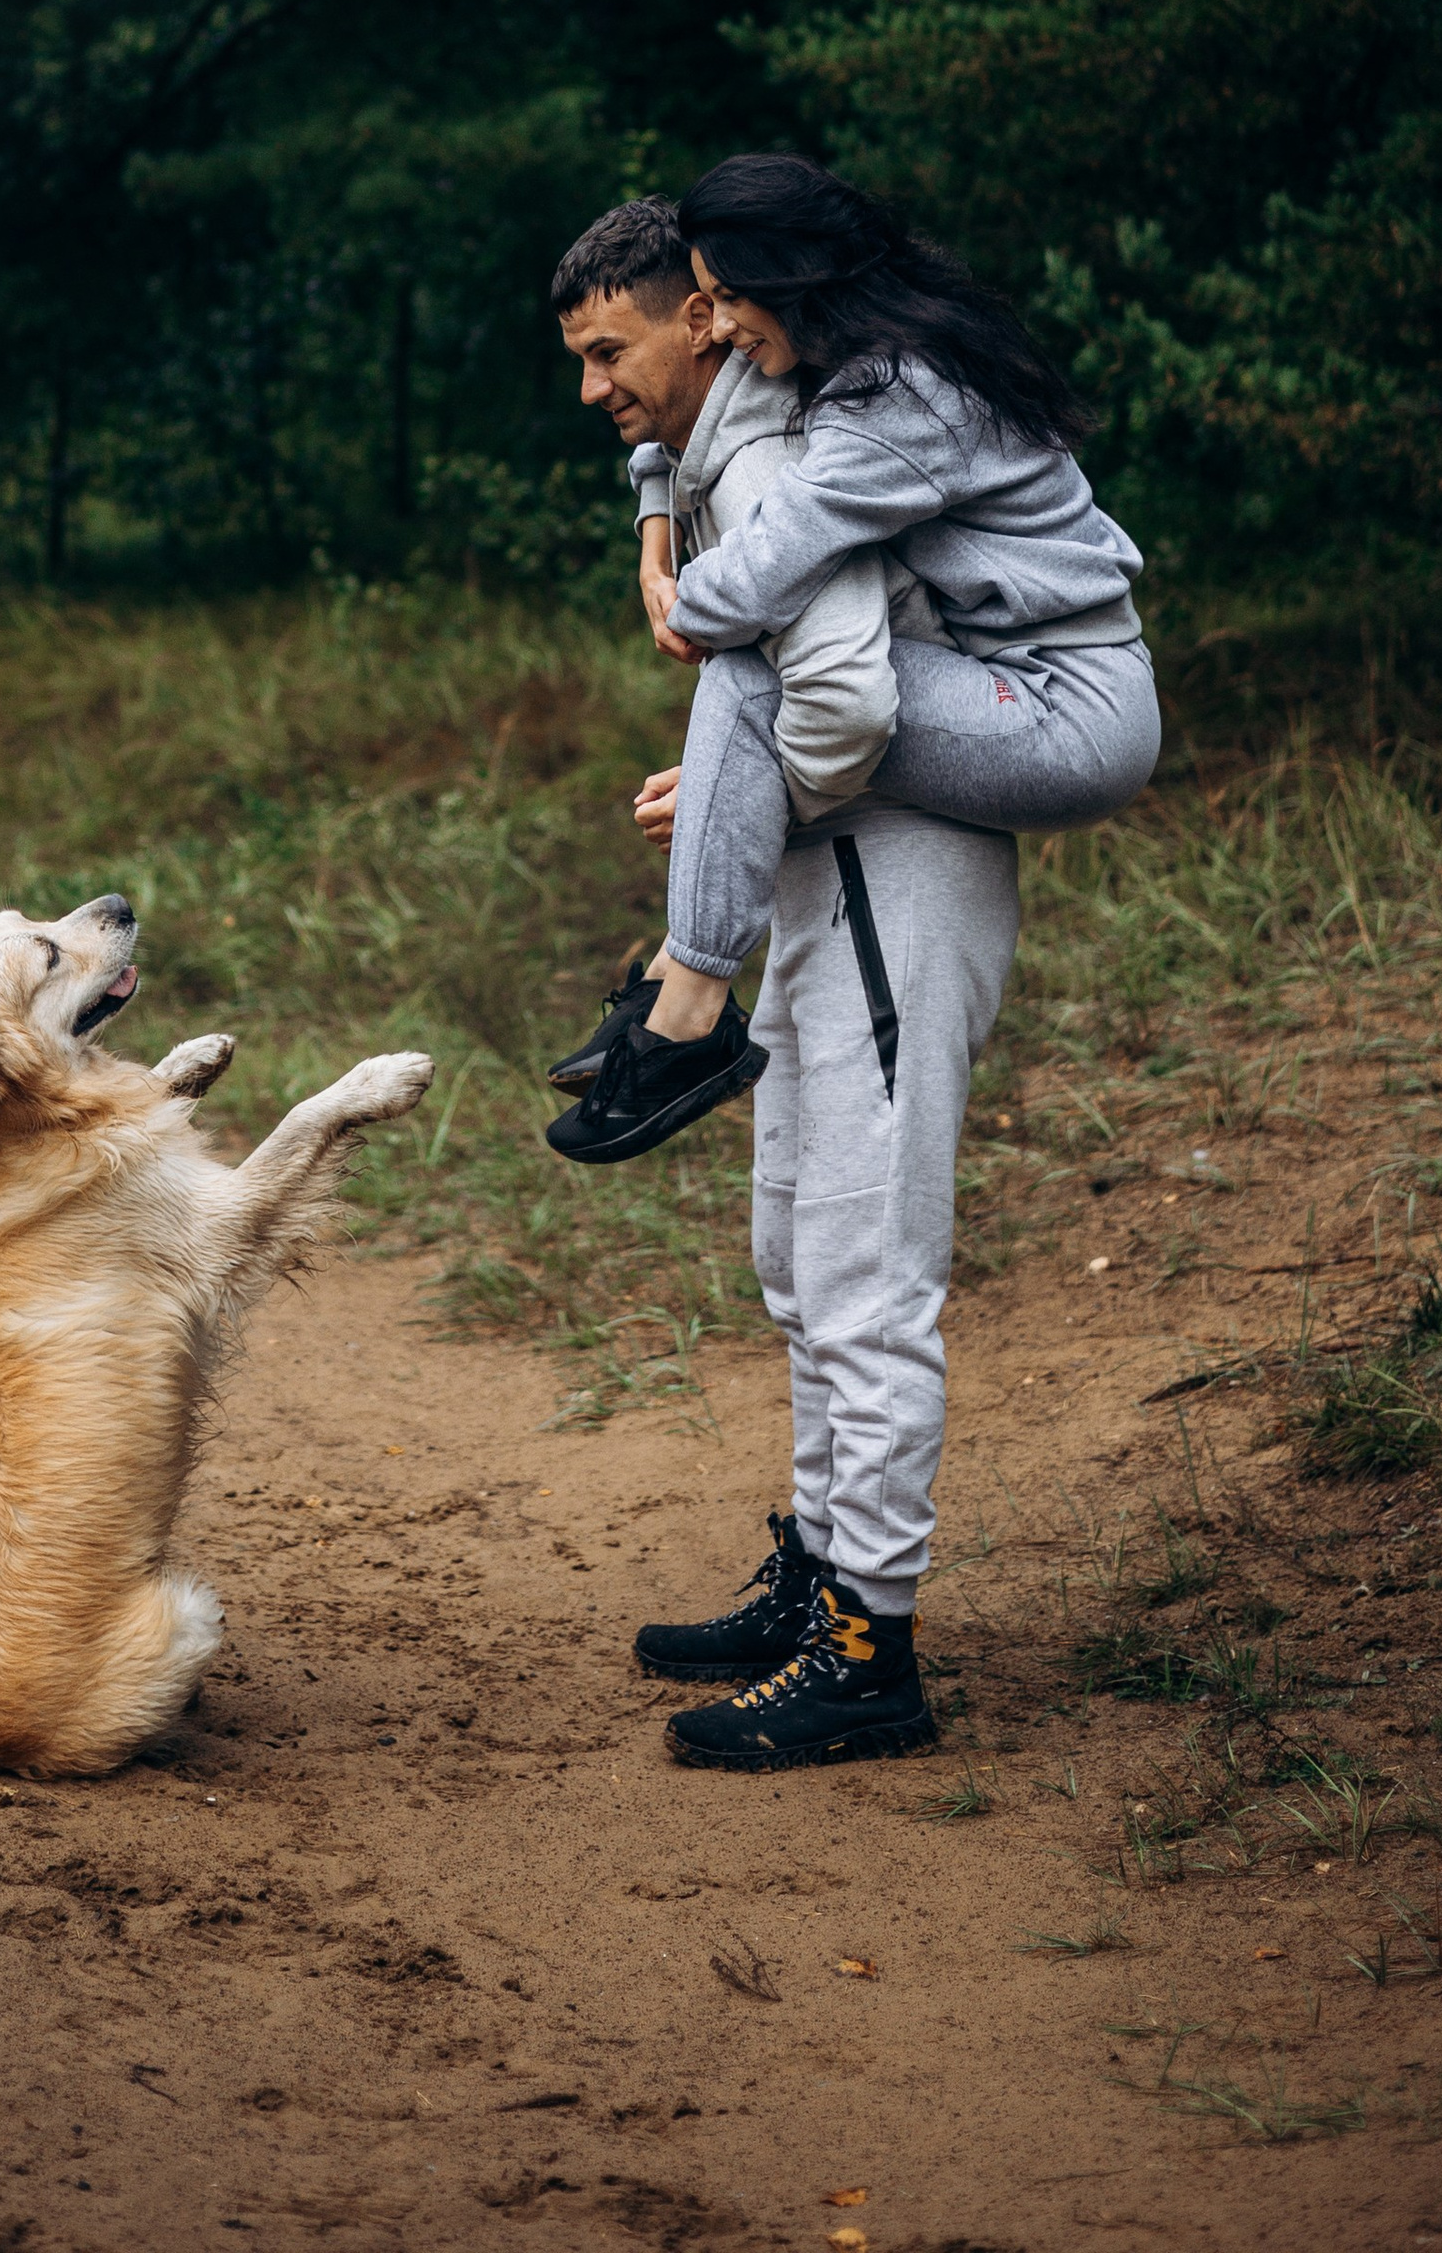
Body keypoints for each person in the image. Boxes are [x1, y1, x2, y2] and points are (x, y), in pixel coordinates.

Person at [551, 154, 1160, 1770]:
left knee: (867, 1262)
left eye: (711, 302)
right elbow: (726, 471)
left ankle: (869, 1653)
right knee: (799, 1252)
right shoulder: (801, 382)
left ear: (765, 293)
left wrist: (684, 601)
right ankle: (824, 1571)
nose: (708, 325)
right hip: (912, 784)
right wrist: (659, 519)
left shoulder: (891, 401)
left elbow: (806, 655)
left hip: (1042, 732)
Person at [545, 196, 900, 1139]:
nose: (589, 388)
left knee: (856, 1186)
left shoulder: (761, 473)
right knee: (797, 1200)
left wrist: (729, 796)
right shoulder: (706, 434)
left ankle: (684, 1002)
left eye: (608, 354)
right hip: (835, 835)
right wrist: (652, 539)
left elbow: (847, 701)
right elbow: (664, 453)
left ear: (702, 322)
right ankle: (681, 989)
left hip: (892, 842)